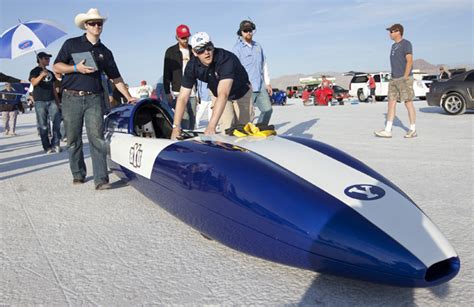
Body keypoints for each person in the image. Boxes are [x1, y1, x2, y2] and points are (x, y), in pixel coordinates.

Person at [53, 8, 136, 190]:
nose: (97, 26)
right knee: (73, 138)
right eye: (93, 23)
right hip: (71, 98)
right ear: (85, 25)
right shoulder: (71, 44)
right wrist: (76, 68)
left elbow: (116, 78)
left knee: (97, 138)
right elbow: (56, 66)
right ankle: (78, 173)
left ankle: (101, 179)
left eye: (99, 23)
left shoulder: (105, 52)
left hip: (95, 99)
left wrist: (129, 96)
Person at [170, 32, 253, 140]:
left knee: (243, 131)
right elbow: (183, 97)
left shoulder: (225, 59)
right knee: (227, 130)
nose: (206, 53)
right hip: (217, 93)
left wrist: (211, 126)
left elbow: (224, 93)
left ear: (212, 46)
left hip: (241, 92)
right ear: (194, 52)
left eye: (208, 48)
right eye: (200, 50)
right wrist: (176, 127)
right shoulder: (192, 66)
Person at [375, 24, 417, 138]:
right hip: (394, 79)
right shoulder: (393, 46)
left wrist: (405, 77)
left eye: (391, 32)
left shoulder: (406, 44)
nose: (389, 34)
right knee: (391, 104)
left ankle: (412, 129)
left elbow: (409, 61)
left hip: (404, 79)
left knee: (408, 103)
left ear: (398, 31)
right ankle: (388, 130)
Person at [233, 20, 273, 125]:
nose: (248, 33)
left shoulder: (258, 47)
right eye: (245, 31)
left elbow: (264, 64)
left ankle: (259, 129)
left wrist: (267, 83)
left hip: (260, 86)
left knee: (267, 110)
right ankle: (245, 139)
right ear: (241, 32)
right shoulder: (237, 49)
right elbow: (234, 69)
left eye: (250, 30)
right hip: (246, 88)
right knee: (247, 118)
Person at [163, 24, 197, 129]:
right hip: (178, 91)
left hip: (192, 90)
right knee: (184, 116)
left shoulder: (193, 50)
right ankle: (184, 139)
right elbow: (166, 72)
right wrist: (167, 92)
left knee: (192, 117)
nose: (186, 40)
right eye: (183, 38)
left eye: (187, 37)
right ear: (177, 37)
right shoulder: (170, 51)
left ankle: (191, 139)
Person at [29, 52, 61, 153]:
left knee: (57, 122)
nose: (48, 60)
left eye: (48, 58)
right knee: (43, 125)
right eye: (46, 58)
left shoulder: (50, 72)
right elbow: (33, 82)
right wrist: (41, 75)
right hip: (40, 101)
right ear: (40, 59)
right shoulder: (34, 71)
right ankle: (47, 147)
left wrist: (58, 101)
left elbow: (53, 88)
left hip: (52, 100)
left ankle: (55, 144)